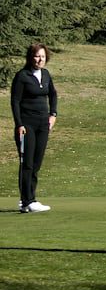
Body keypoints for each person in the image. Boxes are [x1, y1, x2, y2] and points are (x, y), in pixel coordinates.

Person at [11, 43, 58, 213]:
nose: (40, 60)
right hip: (26, 125)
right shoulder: (22, 76)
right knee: (27, 164)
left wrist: (53, 114)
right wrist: (19, 124)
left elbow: (53, 94)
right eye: (37, 56)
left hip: (42, 125)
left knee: (36, 163)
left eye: (43, 57)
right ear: (31, 57)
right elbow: (15, 101)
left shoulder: (45, 75)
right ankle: (28, 200)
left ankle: (26, 200)